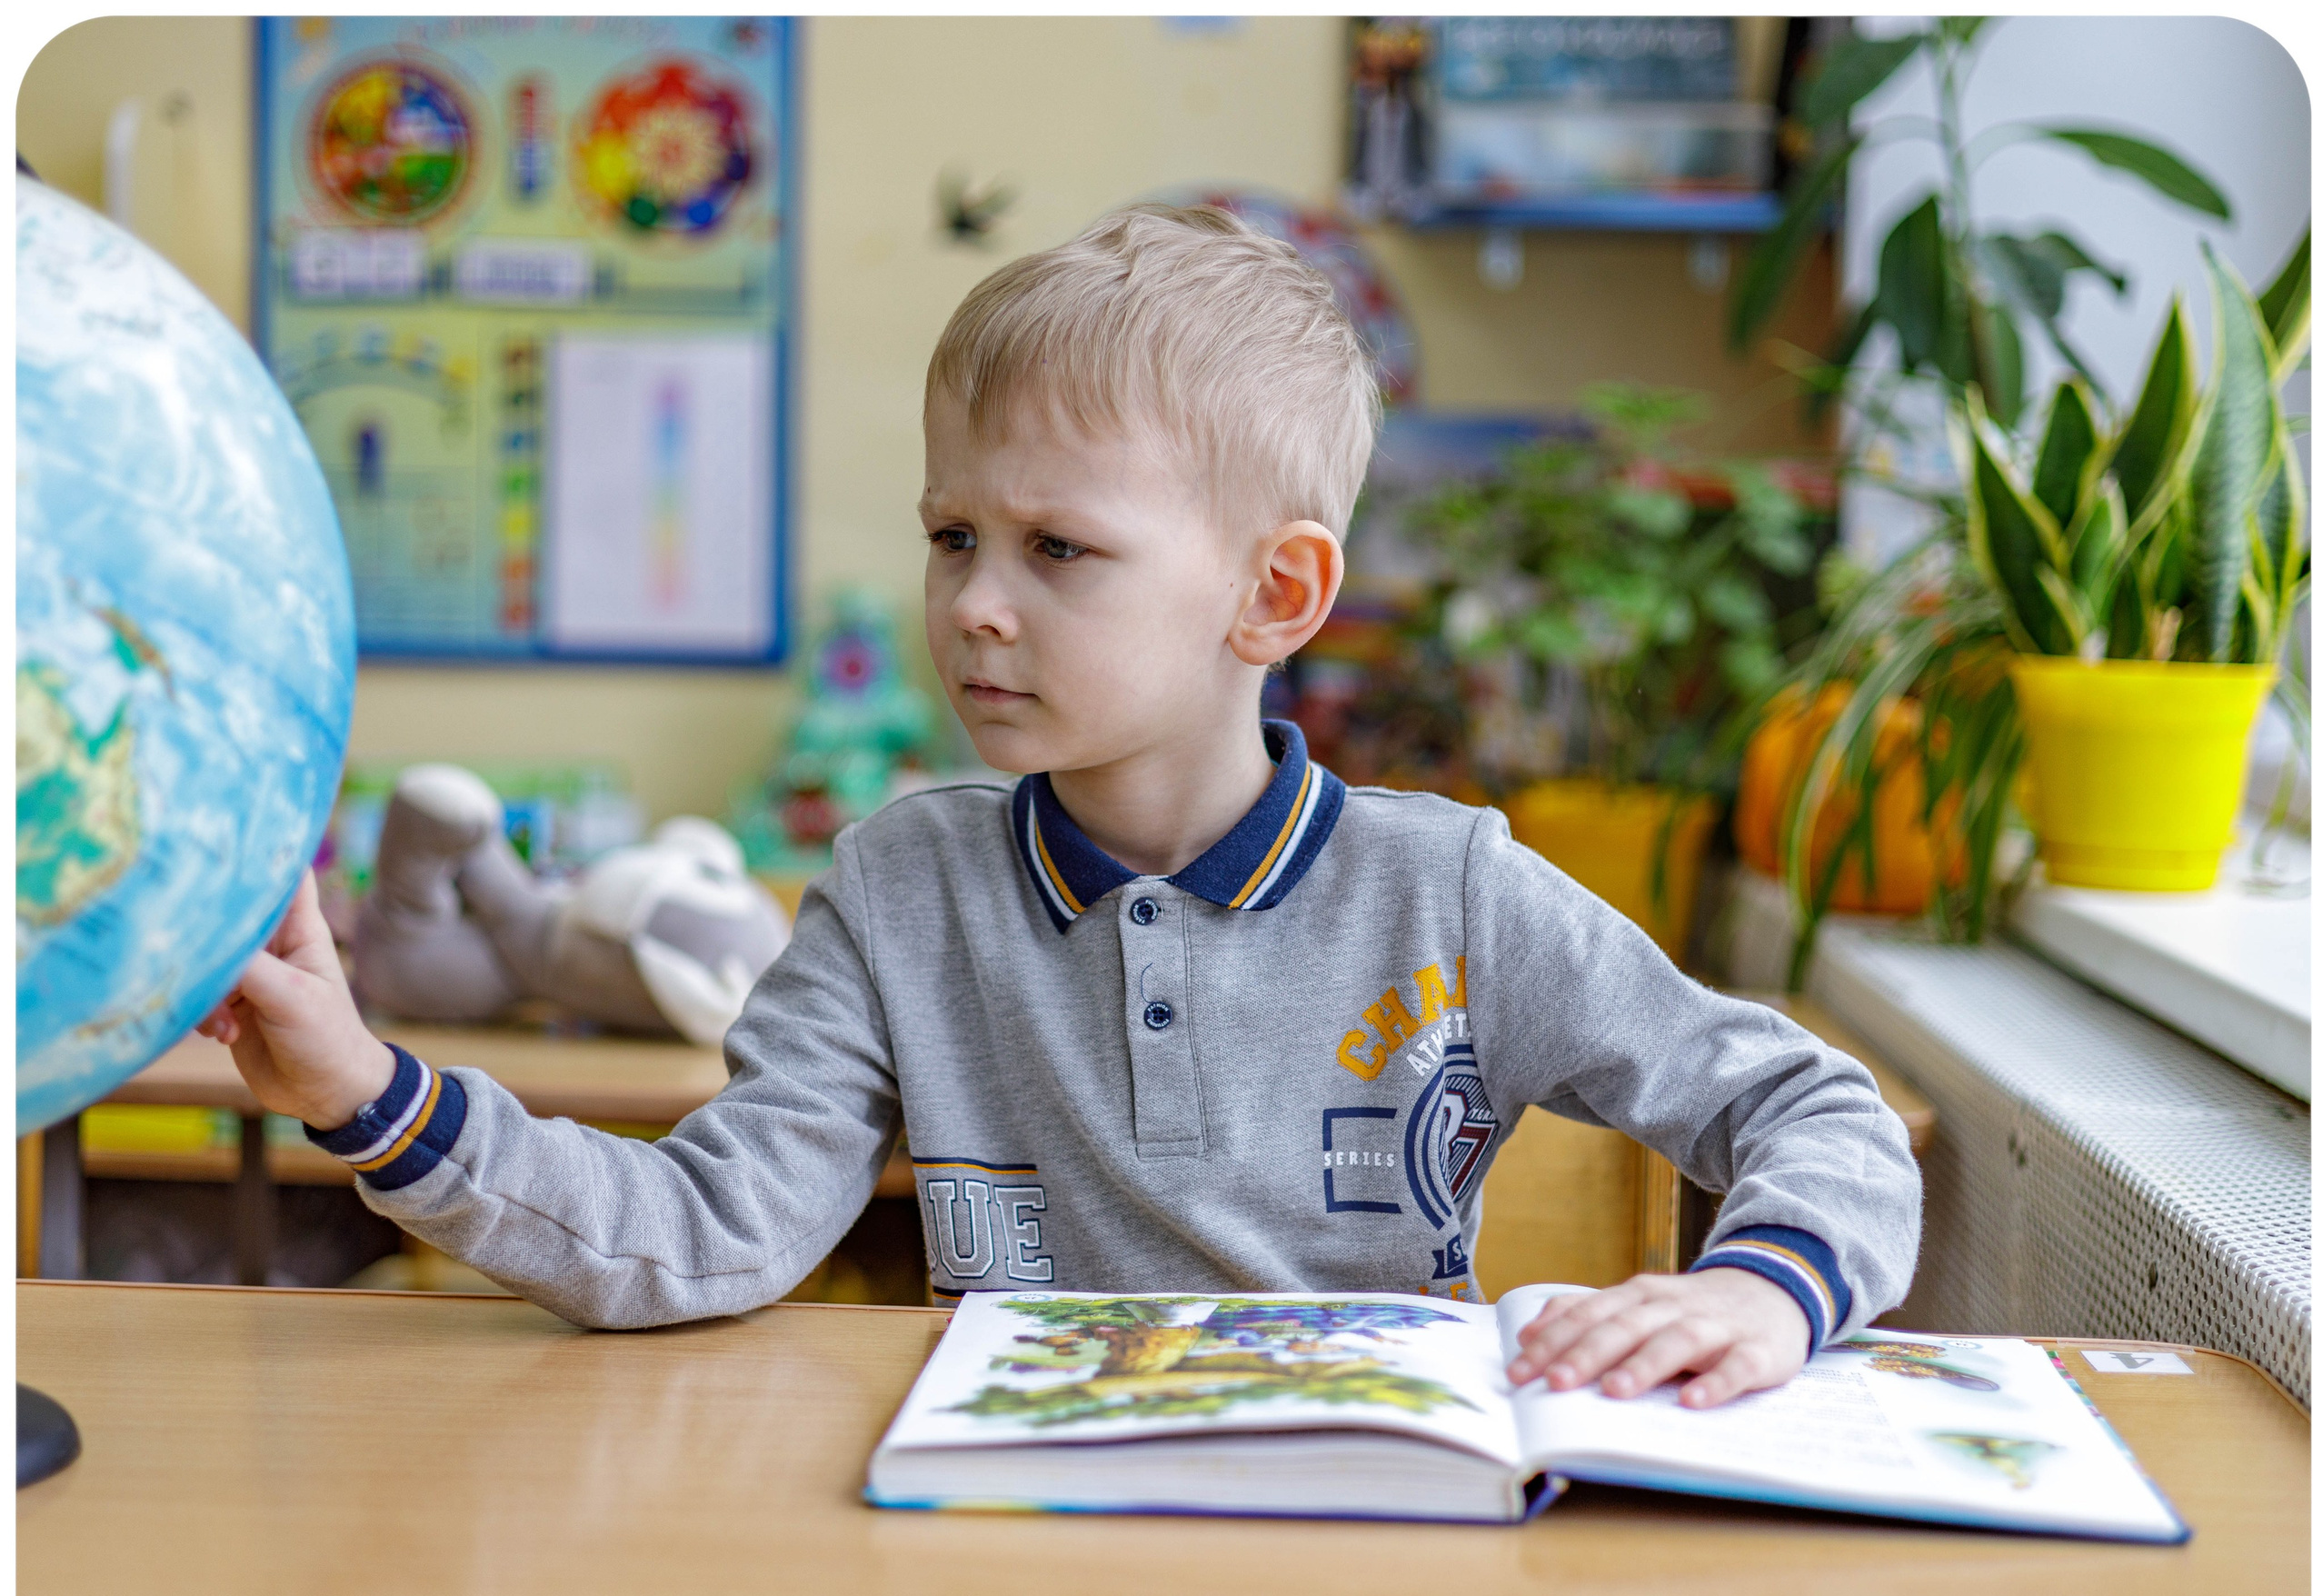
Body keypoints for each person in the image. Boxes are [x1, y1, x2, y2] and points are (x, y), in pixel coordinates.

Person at [202, 205, 1919, 1411]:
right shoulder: (899, 894)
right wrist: (367, 1093)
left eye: (1059, 550)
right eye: (954, 536)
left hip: (1385, 1579)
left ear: (1277, 596)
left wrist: (1758, 1290)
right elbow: (702, 1235)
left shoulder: (1450, 891)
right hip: (1014, 1560)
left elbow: (1816, 1114)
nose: (973, 605)